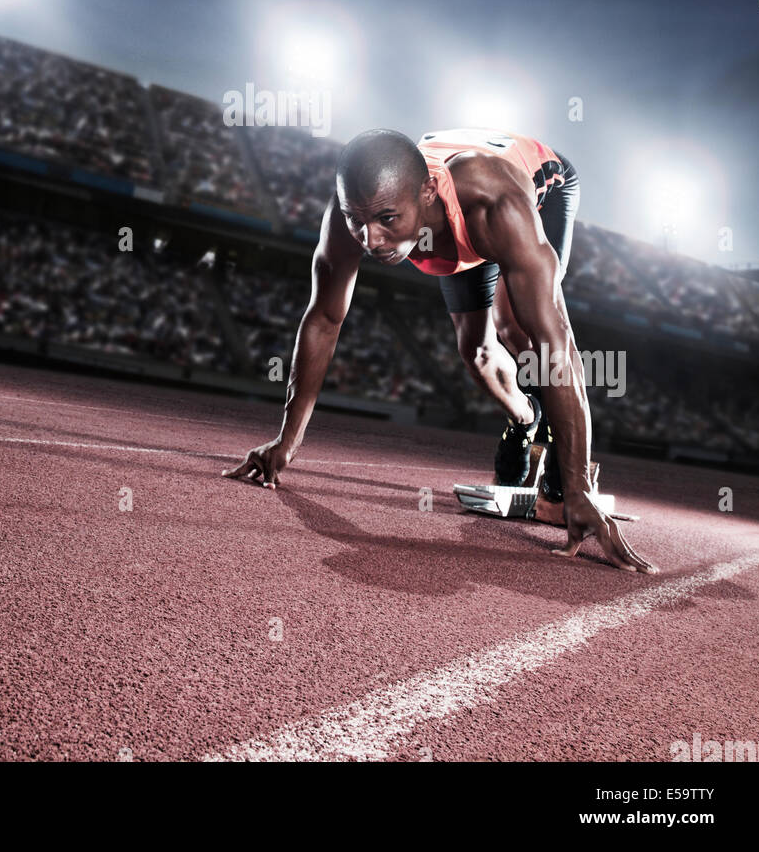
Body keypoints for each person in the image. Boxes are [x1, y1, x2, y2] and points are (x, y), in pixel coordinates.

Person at [224, 126, 656, 573]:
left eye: (387, 220)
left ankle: (556, 484)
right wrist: (287, 442)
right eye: (359, 221)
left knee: (518, 329)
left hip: (540, 187)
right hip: (448, 221)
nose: (370, 241)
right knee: (477, 353)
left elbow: (557, 348)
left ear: (428, 192)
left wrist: (580, 485)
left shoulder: (494, 206)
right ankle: (526, 419)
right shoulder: (355, 209)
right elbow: (324, 320)